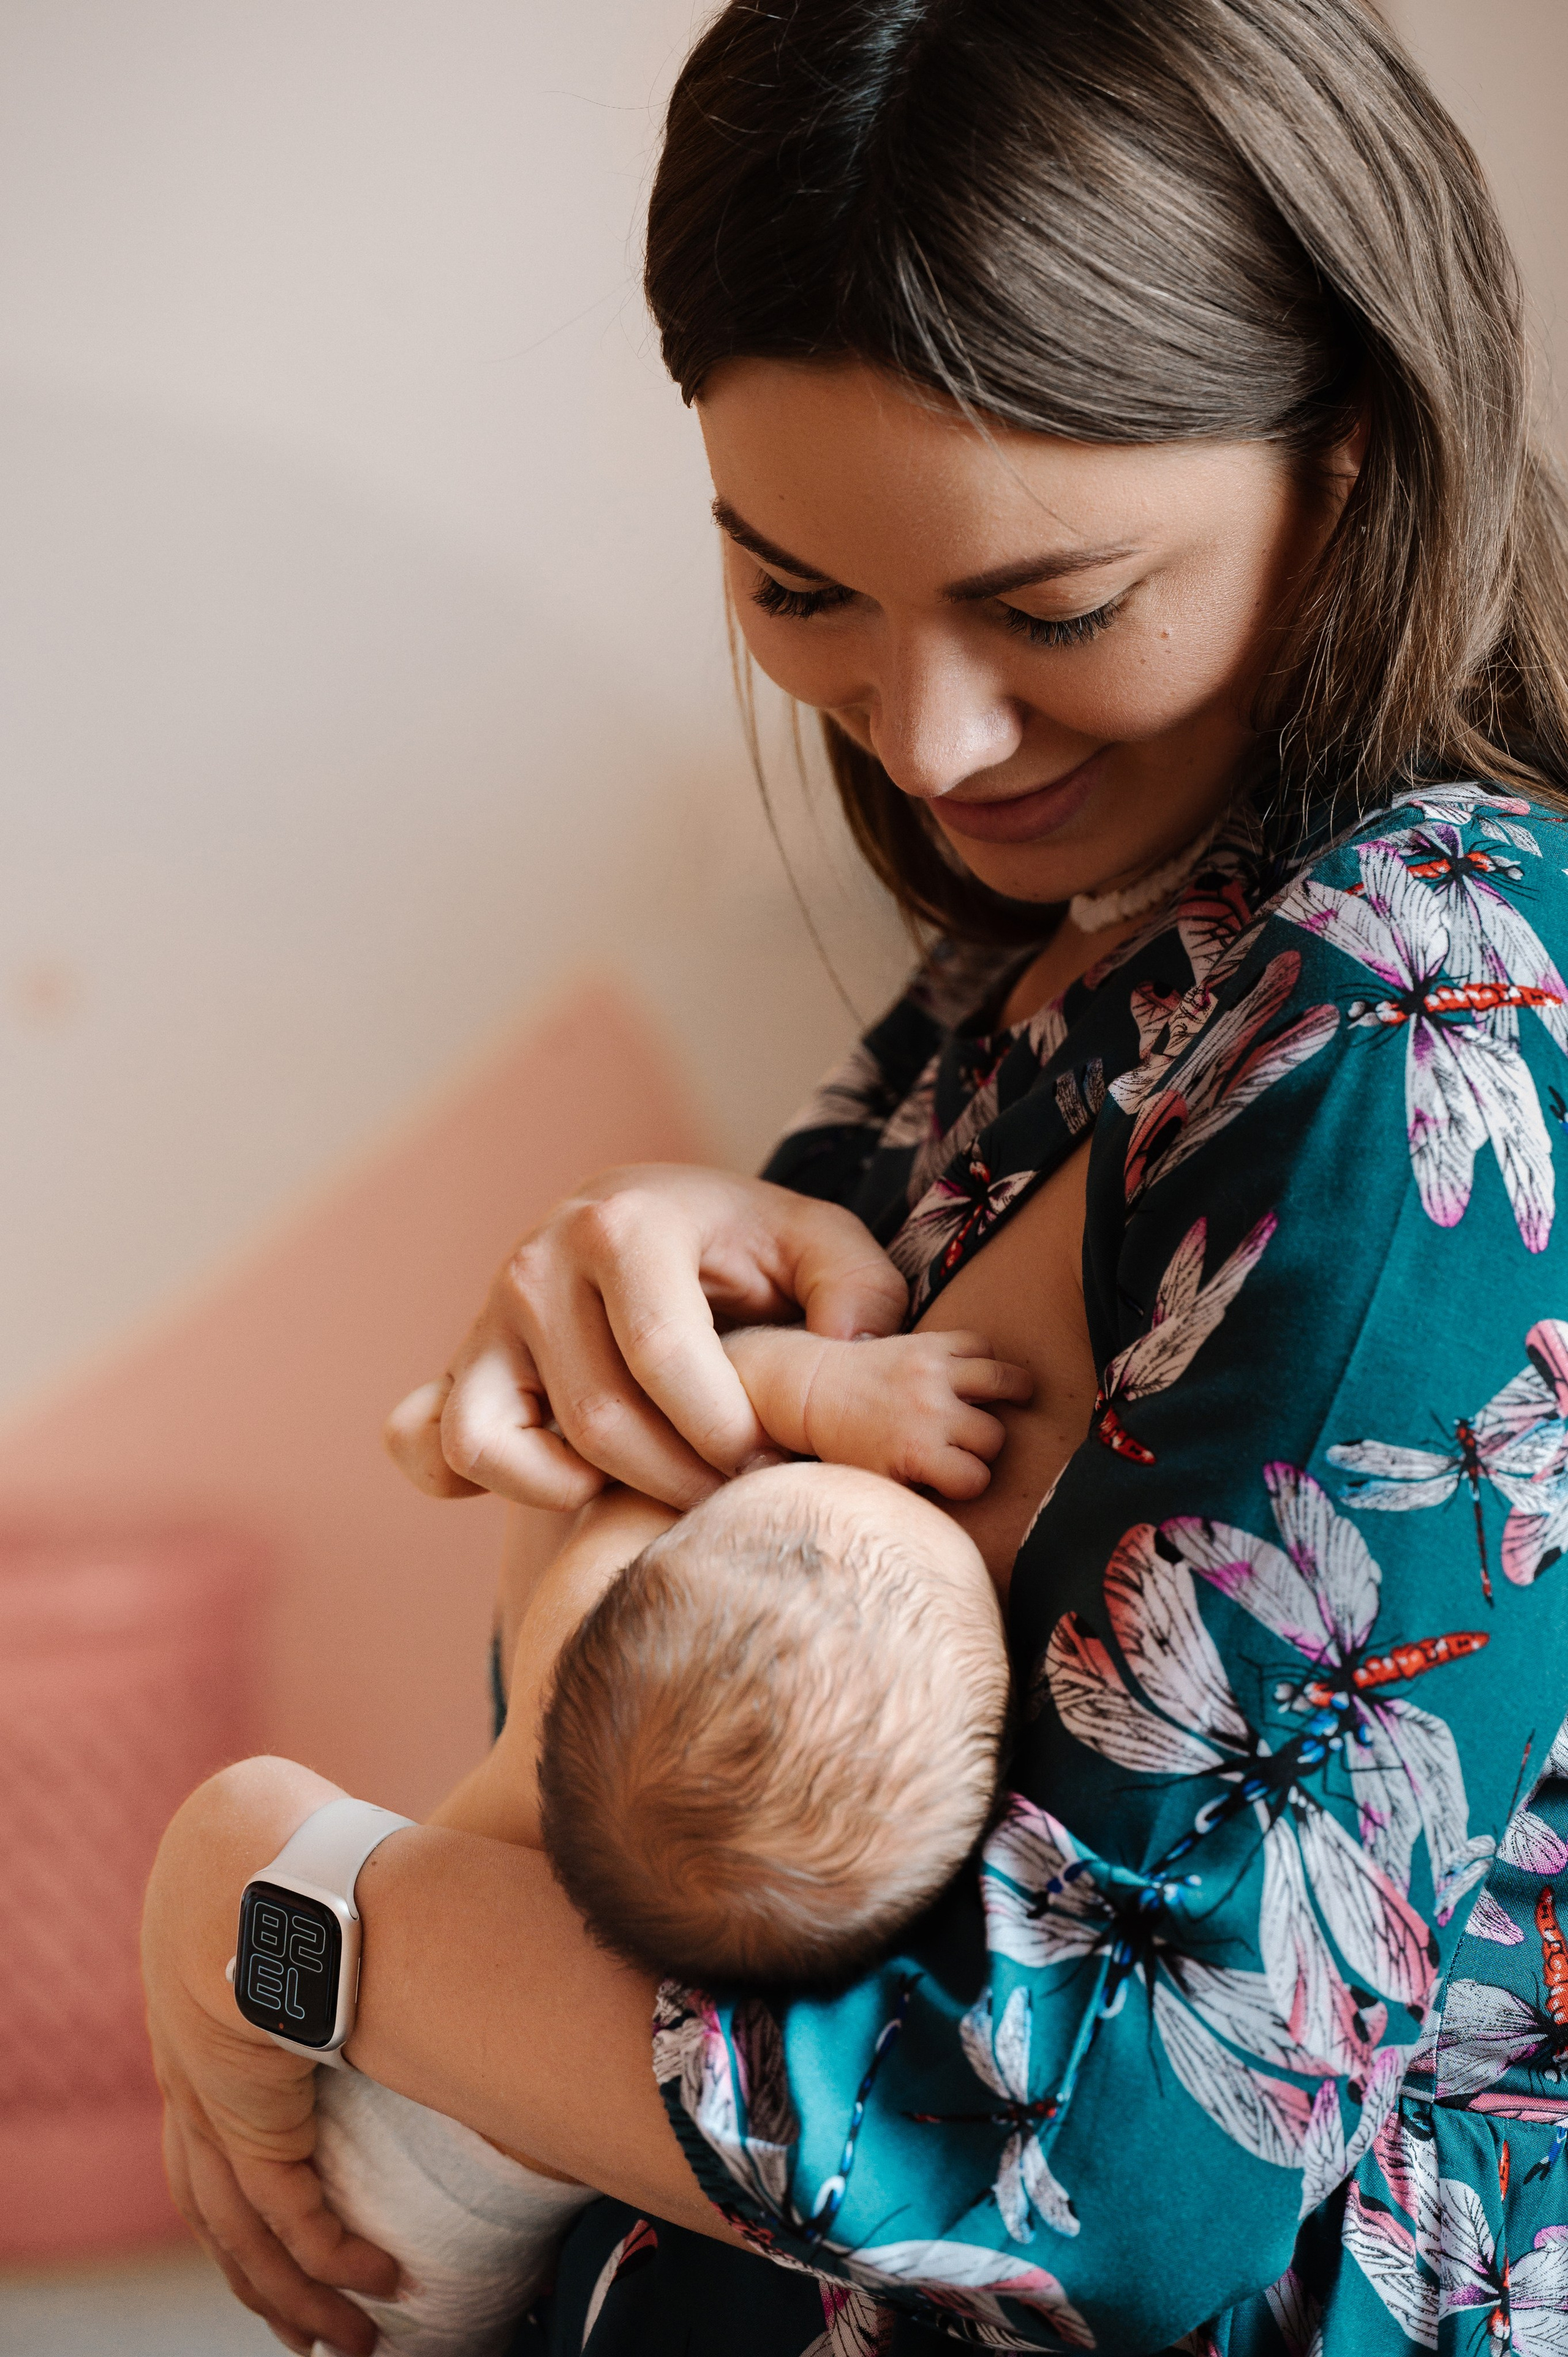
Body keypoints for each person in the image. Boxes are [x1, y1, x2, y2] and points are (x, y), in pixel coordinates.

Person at [141, 2, 1568, 2352]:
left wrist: (272, 1902)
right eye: (801, 591)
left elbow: (1089, 2150)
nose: (929, 740)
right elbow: (645, 1844)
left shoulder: (1429, 1012)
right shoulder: (1036, 987)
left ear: (1356, 452)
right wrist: (629, 1394)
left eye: (1053, 607)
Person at [301, 1335, 1023, 2357]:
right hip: (445, 2221)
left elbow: (609, 1425)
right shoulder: (733, 1888)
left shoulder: (590, 1639)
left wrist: (809, 1388)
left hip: (369, 2134)